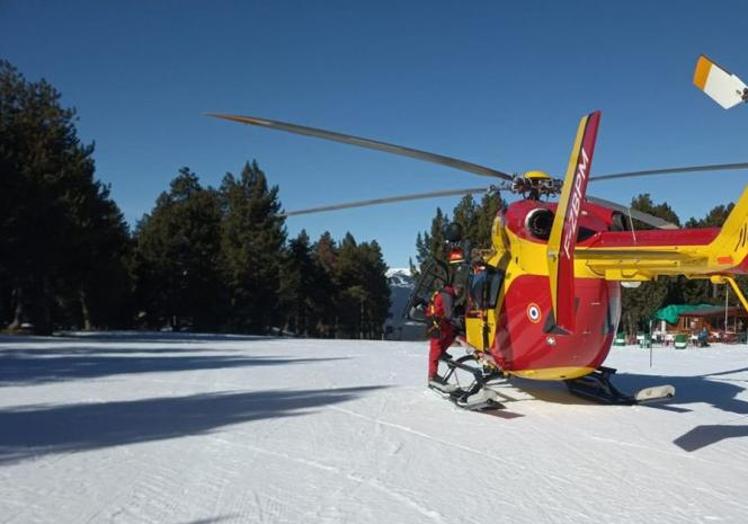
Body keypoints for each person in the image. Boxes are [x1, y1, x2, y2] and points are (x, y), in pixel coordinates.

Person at [426, 280, 463, 385]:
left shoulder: (446, 293)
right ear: (456, 289)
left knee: (452, 332)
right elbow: (449, 315)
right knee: (435, 349)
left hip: (439, 321)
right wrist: (460, 318)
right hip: (435, 323)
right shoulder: (448, 295)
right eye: (460, 292)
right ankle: (432, 375)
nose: (460, 295)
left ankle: (442, 353)